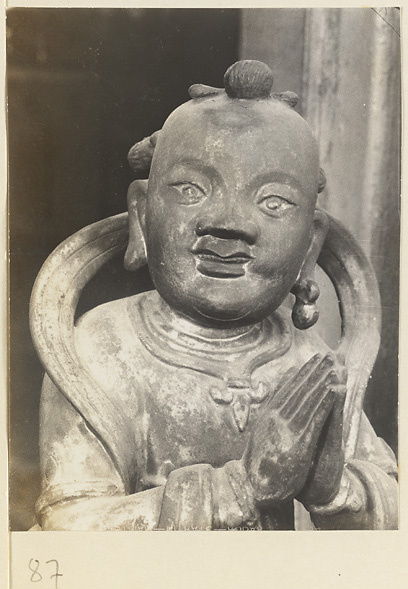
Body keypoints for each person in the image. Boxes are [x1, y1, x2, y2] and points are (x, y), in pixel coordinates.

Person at [32, 60, 397, 531]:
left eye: (273, 202)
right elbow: (67, 527)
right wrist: (242, 487)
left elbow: (392, 511)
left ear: (311, 244)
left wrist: (334, 489)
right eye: (191, 189)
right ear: (142, 214)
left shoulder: (307, 360)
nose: (229, 223)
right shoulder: (104, 346)